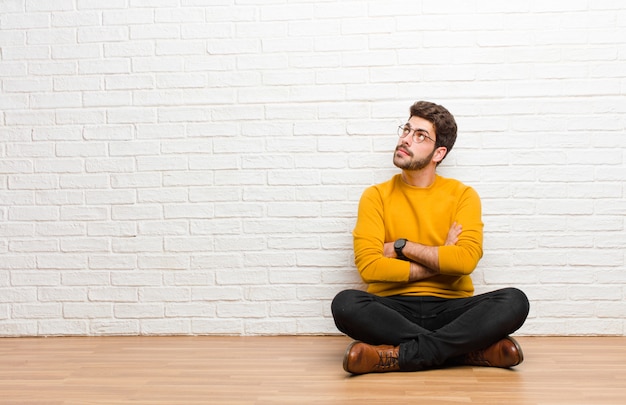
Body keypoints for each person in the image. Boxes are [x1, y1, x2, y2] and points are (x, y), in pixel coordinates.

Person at [331, 101, 530, 375]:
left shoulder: (463, 195)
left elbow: (464, 262)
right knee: (345, 304)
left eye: (420, 135)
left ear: (439, 152)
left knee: (515, 301)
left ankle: (394, 356)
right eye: (407, 129)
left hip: (452, 307)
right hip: (394, 308)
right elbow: (369, 267)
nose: (406, 139)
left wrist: (401, 247)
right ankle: (467, 351)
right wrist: (440, 259)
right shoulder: (375, 196)